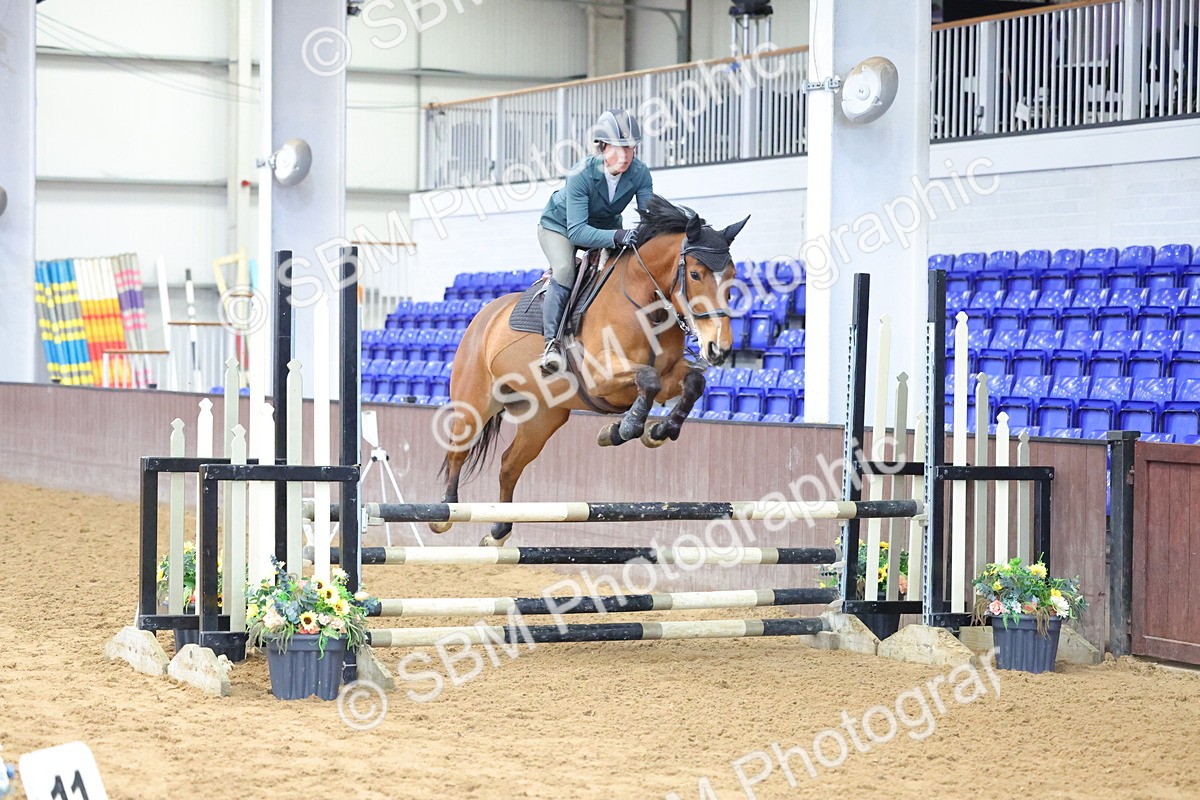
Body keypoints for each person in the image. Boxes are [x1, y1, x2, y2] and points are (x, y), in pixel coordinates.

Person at [536, 108, 654, 374]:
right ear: (602, 147)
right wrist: (617, 236)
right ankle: (551, 344)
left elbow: (649, 218)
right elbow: (577, 232)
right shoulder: (581, 174)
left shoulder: (640, 173)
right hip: (560, 227)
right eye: (618, 148)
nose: (625, 156)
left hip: (606, 228)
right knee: (566, 269)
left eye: (630, 149)